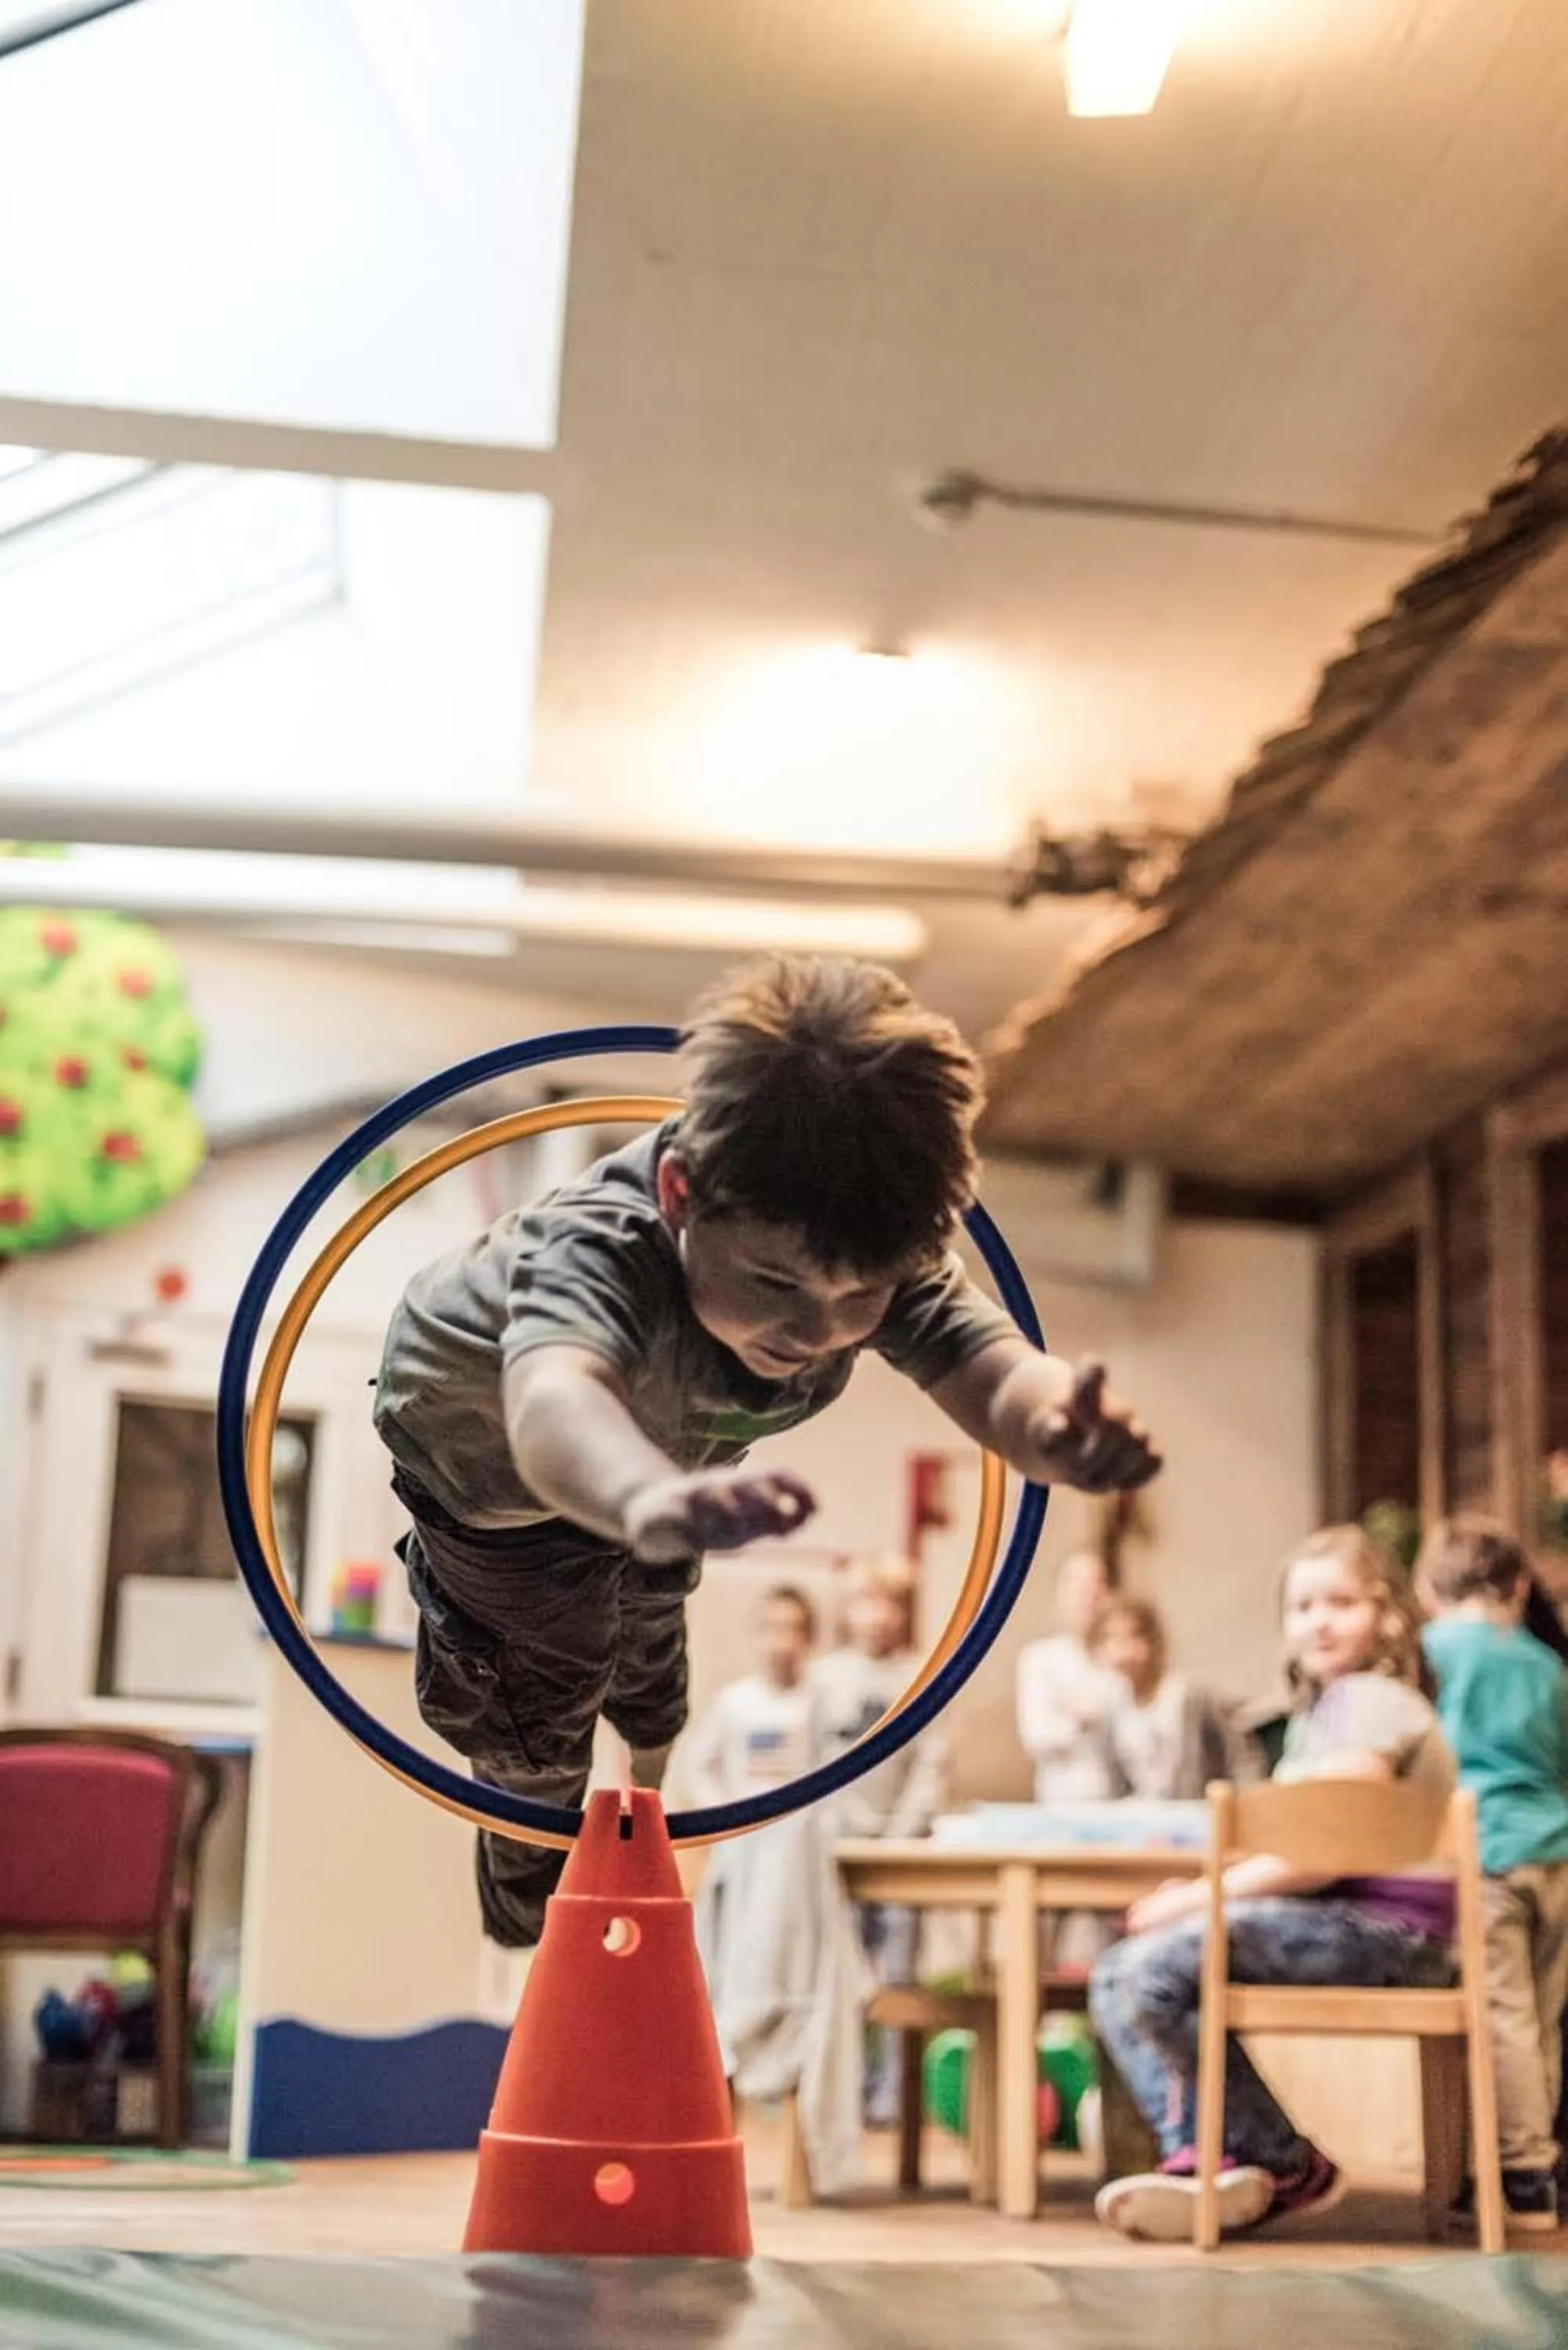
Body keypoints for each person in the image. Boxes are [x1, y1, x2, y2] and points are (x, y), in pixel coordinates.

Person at [373, 954, 1162, 1947]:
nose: (819, 1328)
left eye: (860, 1297)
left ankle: (646, 1765)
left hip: (664, 1461)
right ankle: (531, 1872)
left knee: (652, 1632)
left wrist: (1053, 1423)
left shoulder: (868, 1246)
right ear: (678, 1193)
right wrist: (636, 1498)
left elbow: (992, 1368)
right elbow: (551, 1402)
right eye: (775, 1282)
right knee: (543, 1688)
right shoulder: (600, 1245)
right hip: (488, 1469)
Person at [1090, 1524, 1457, 2242]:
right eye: (1304, 1606)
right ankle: (1226, 2154)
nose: (1319, 1621)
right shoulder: (1325, 1714)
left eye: (1341, 1603)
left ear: (1385, 1616)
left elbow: (1326, 1852)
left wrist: (1197, 1899)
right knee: (1129, 1967)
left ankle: (1261, 2159)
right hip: (1342, 1922)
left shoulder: (1373, 1703)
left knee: (1150, 1967)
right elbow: (1295, 1851)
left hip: (1392, 1932)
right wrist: (1195, 1890)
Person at [1418, 1515, 1568, 2232]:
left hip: (1487, 1853)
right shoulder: (1547, 1664)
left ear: (1428, 1591)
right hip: (1559, 1853)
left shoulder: (1433, 1653)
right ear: (1516, 1586)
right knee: (1541, 2017)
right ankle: (1534, 2159)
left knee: (1502, 2016)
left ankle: (1523, 2176)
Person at [814, 1553, 948, 2124]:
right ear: (847, 1611)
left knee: (897, 1977)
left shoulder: (923, 1674)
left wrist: (898, 1835)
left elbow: (931, 1766)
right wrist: (834, 1827)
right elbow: (813, 1763)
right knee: (836, 1976)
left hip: (900, 1852)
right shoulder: (824, 1678)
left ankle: (895, 2096)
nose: (877, 1616)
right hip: (836, 1850)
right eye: (866, 1603)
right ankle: (840, 2093)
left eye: (889, 1604)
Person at [1089, 1595, 1256, 1801]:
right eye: (1113, 1640)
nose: (1124, 1652)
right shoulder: (1112, 1716)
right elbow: (1117, 1789)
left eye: (1132, 1638)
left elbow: (1242, 1759)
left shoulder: (1191, 1698)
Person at [681, 1584, 822, 1806]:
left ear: (809, 1638)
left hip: (802, 1834)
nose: (783, 1642)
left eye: (793, 1629)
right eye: (774, 1629)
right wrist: (723, 1816)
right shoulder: (733, 1702)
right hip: (744, 1835)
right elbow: (698, 1766)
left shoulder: (821, 1701)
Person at [1015, 1550, 1123, 1805]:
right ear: (1060, 1594)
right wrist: (1084, 1721)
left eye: (1098, 1586)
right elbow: (1038, 1736)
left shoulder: (1122, 1663)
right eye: (1079, 1587)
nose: (1089, 1597)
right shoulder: (1040, 1660)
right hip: (1061, 1805)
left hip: (1120, 1806)